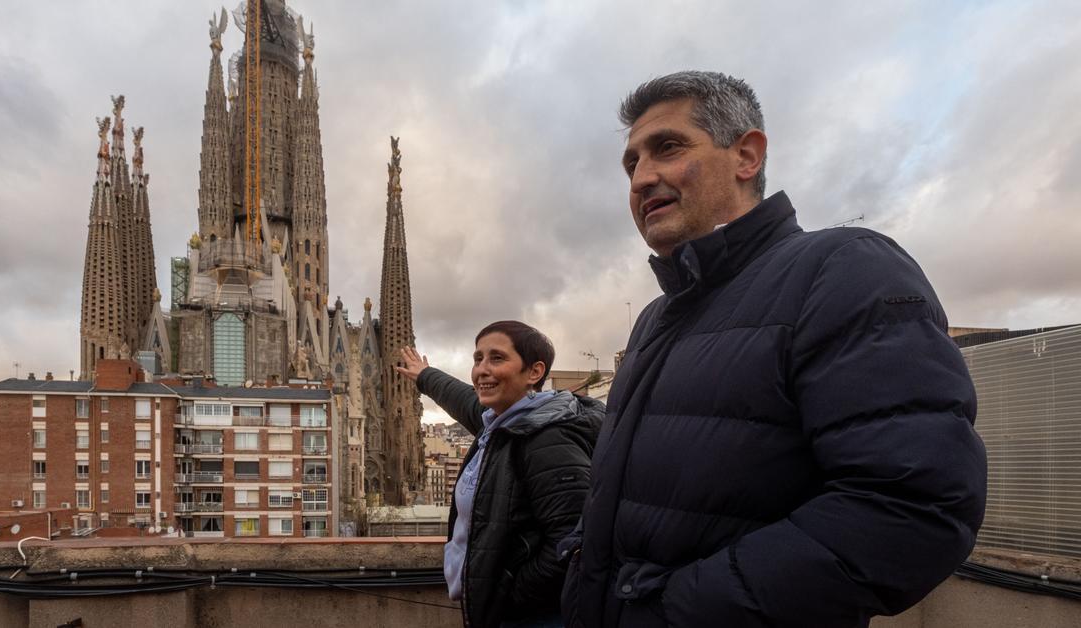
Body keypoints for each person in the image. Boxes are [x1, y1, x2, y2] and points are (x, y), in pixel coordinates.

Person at [560, 71, 987, 627]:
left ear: (747, 156)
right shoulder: (656, 320)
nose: (642, 178)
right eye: (631, 164)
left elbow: (913, 509)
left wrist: (674, 612)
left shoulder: (844, 270)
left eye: (667, 147)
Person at [395, 321, 604, 628]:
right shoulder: (503, 421)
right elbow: (463, 398)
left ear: (534, 372)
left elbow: (572, 541)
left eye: (496, 358)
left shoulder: (547, 438)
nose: (482, 369)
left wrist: (508, 595)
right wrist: (425, 376)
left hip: (534, 617)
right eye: (477, 358)